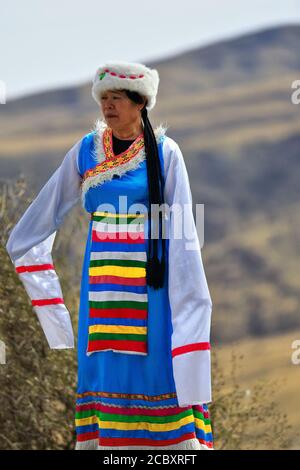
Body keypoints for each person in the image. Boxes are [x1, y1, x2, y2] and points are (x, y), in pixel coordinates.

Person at [5, 61, 213, 450]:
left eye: (117, 98)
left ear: (140, 104)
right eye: (104, 99)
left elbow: (184, 232)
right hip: (100, 286)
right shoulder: (86, 150)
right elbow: (46, 209)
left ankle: (170, 449)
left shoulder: (165, 153)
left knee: (154, 366)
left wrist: (188, 299)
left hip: (152, 284)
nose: (108, 106)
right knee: (104, 366)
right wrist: (27, 253)